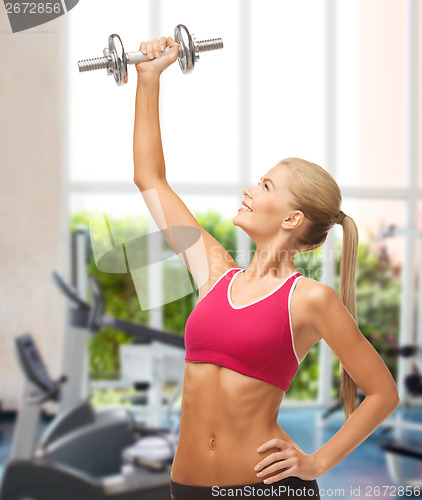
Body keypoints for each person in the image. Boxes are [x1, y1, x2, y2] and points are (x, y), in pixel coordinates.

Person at [133, 36, 400, 500]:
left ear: (292, 219)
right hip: (187, 488)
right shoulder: (216, 272)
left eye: (266, 185)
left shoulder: (310, 299)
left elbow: (382, 393)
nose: (251, 190)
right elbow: (150, 178)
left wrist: (316, 461)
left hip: (266, 490)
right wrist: (149, 79)